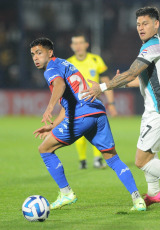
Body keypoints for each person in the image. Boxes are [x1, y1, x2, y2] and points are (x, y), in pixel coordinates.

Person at [82, 6, 160, 210]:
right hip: (152, 112)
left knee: (141, 160)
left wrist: (101, 87)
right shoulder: (151, 46)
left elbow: (130, 73)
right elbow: (142, 80)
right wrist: (122, 82)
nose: (141, 28)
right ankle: (154, 193)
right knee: (149, 153)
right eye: (138, 24)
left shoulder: (153, 47)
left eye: (145, 23)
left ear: (157, 24)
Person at [30, 37, 145, 211]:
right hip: (97, 111)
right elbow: (69, 102)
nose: (36, 57)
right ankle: (138, 199)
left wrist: (49, 107)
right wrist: (53, 126)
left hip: (82, 115)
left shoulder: (51, 69)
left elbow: (59, 86)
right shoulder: (65, 64)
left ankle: (66, 193)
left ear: (50, 53)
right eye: (33, 55)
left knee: (44, 149)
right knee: (113, 158)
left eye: (39, 53)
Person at [67, 33, 118, 169]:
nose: (78, 46)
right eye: (75, 43)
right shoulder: (68, 63)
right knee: (79, 132)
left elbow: (106, 83)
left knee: (97, 130)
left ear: (86, 45)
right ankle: (82, 161)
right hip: (76, 103)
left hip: (95, 101)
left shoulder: (96, 60)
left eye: (80, 43)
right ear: (72, 46)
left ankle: (97, 159)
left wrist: (111, 103)